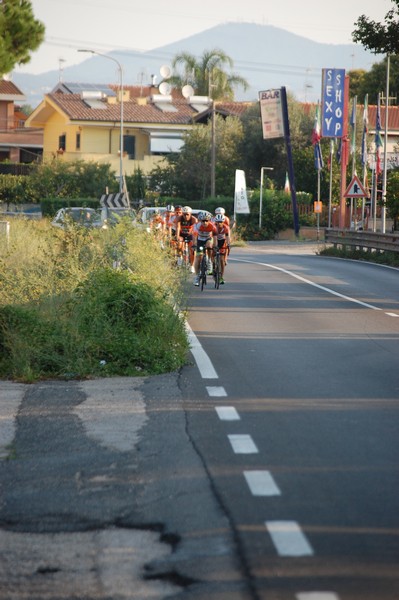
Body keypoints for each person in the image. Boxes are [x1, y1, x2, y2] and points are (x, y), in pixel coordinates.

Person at [192, 211, 217, 286]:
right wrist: (194, 245)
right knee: (198, 257)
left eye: (207, 221)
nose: (205, 222)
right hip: (200, 240)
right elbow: (194, 237)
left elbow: (215, 237)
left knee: (209, 245)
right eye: (203, 221)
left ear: (209, 220)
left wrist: (215, 246)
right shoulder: (197, 226)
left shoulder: (212, 226)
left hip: (208, 239)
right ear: (200, 220)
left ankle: (209, 261)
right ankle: (197, 277)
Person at [175, 206, 197, 271]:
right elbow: (178, 228)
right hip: (182, 234)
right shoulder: (179, 218)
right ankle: (180, 258)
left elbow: (195, 231)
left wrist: (195, 240)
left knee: (193, 249)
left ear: (190, 214)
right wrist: (177, 237)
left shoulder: (194, 219)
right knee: (179, 244)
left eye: (187, 214)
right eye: (184, 214)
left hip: (190, 235)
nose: (186, 216)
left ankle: (192, 265)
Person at [213, 213, 230, 284]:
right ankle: (213, 266)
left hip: (222, 241)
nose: (219, 223)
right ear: (216, 222)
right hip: (214, 240)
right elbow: (213, 237)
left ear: (223, 222)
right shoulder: (213, 227)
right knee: (213, 255)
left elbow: (227, 237)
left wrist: (228, 244)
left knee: (222, 261)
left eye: (221, 222)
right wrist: (214, 246)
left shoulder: (226, 227)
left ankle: (221, 277)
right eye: (218, 222)